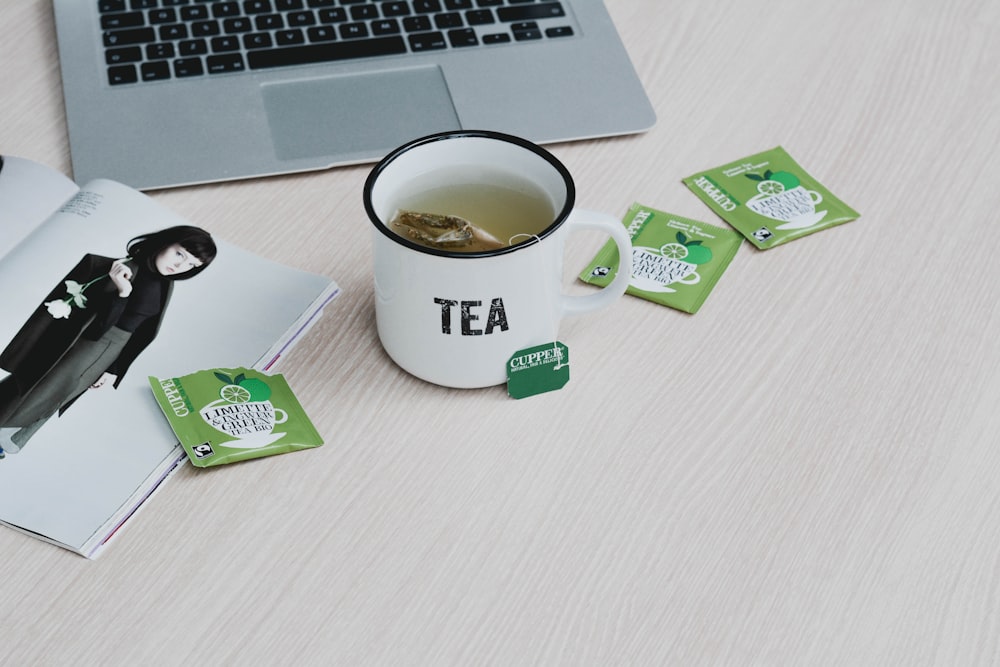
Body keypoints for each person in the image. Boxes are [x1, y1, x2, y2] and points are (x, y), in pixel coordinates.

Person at [0, 225, 216, 458]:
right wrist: (122, 293)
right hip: (81, 348)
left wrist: (113, 369)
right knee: (38, 391)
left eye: (192, 265)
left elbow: (140, 333)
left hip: (109, 354)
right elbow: (95, 329)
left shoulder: (165, 285)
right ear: (165, 241)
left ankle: (7, 440)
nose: (180, 266)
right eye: (180, 254)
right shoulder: (109, 269)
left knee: (53, 397)